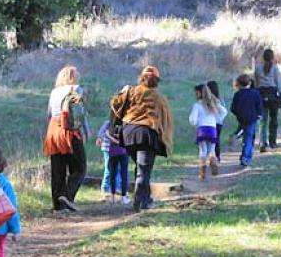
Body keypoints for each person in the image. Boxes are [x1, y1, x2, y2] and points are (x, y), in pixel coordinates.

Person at [109, 66, 174, 212]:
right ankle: (139, 203)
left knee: (140, 169)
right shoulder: (159, 98)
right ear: (156, 81)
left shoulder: (131, 91)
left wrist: (122, 91)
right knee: (143, 171)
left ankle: (146, 198)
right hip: (146, 135)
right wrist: (165, 139)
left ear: (141, 78)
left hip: (128, 134)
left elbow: (115, 103)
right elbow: (166, 121)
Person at [43, 66, 90, 213]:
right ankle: (67, 196)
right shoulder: (77, 89)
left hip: (53, 131)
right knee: (80, 167)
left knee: (58, 170)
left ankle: (58, 206)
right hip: (70, 131)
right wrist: (86, 131)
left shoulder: (54, 92)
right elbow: (80, 113)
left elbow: (49, 114)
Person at [189, 84, 227, 179]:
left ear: (199, 93)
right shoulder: (213, 104)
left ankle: (202, 172)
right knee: (211, 150)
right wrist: (217, 119)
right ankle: (214, 167)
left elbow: (193, 119)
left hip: (201, 130)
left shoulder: (197, 105)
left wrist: (196, 123)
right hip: (212, 130)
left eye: (196, 93)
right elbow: (223, 112)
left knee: (203, 150)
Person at [230, 73, 263, 167]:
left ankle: (236, 135)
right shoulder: (255, 93)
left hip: (241, 118)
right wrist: (259, 115)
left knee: (247, 135)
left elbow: (233, 108)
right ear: (249, 83)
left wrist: (238, 114)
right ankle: (245, 157)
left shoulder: (238, 94)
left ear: (239, 84)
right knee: (249, 138)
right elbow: (259, 106)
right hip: (252, 118)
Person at [253, 48, 281, 152]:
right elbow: (278, 82)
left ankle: (262, 142)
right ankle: (272, 141)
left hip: (261, 94)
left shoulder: (257, 68)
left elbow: (256, 83)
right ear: (272, 57)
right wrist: (280, 93)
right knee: (273, 119)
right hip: (273, 94)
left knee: (263, 120)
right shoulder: (275, 68)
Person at [96, 118, 131, 205]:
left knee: (114, 172)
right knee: (120, 173)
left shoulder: (112, 124)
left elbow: (114, 138)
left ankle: (114, 195)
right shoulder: (124, 124)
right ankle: (119, 195)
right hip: (120, 152)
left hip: (114, 151)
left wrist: (108, 136)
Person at [206, 80, 224, 162]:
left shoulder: (206, 100)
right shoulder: (220, 99)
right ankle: (217, 155)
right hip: (219, 122)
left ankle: (210, 155)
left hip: (209, 122)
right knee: (217, 139)